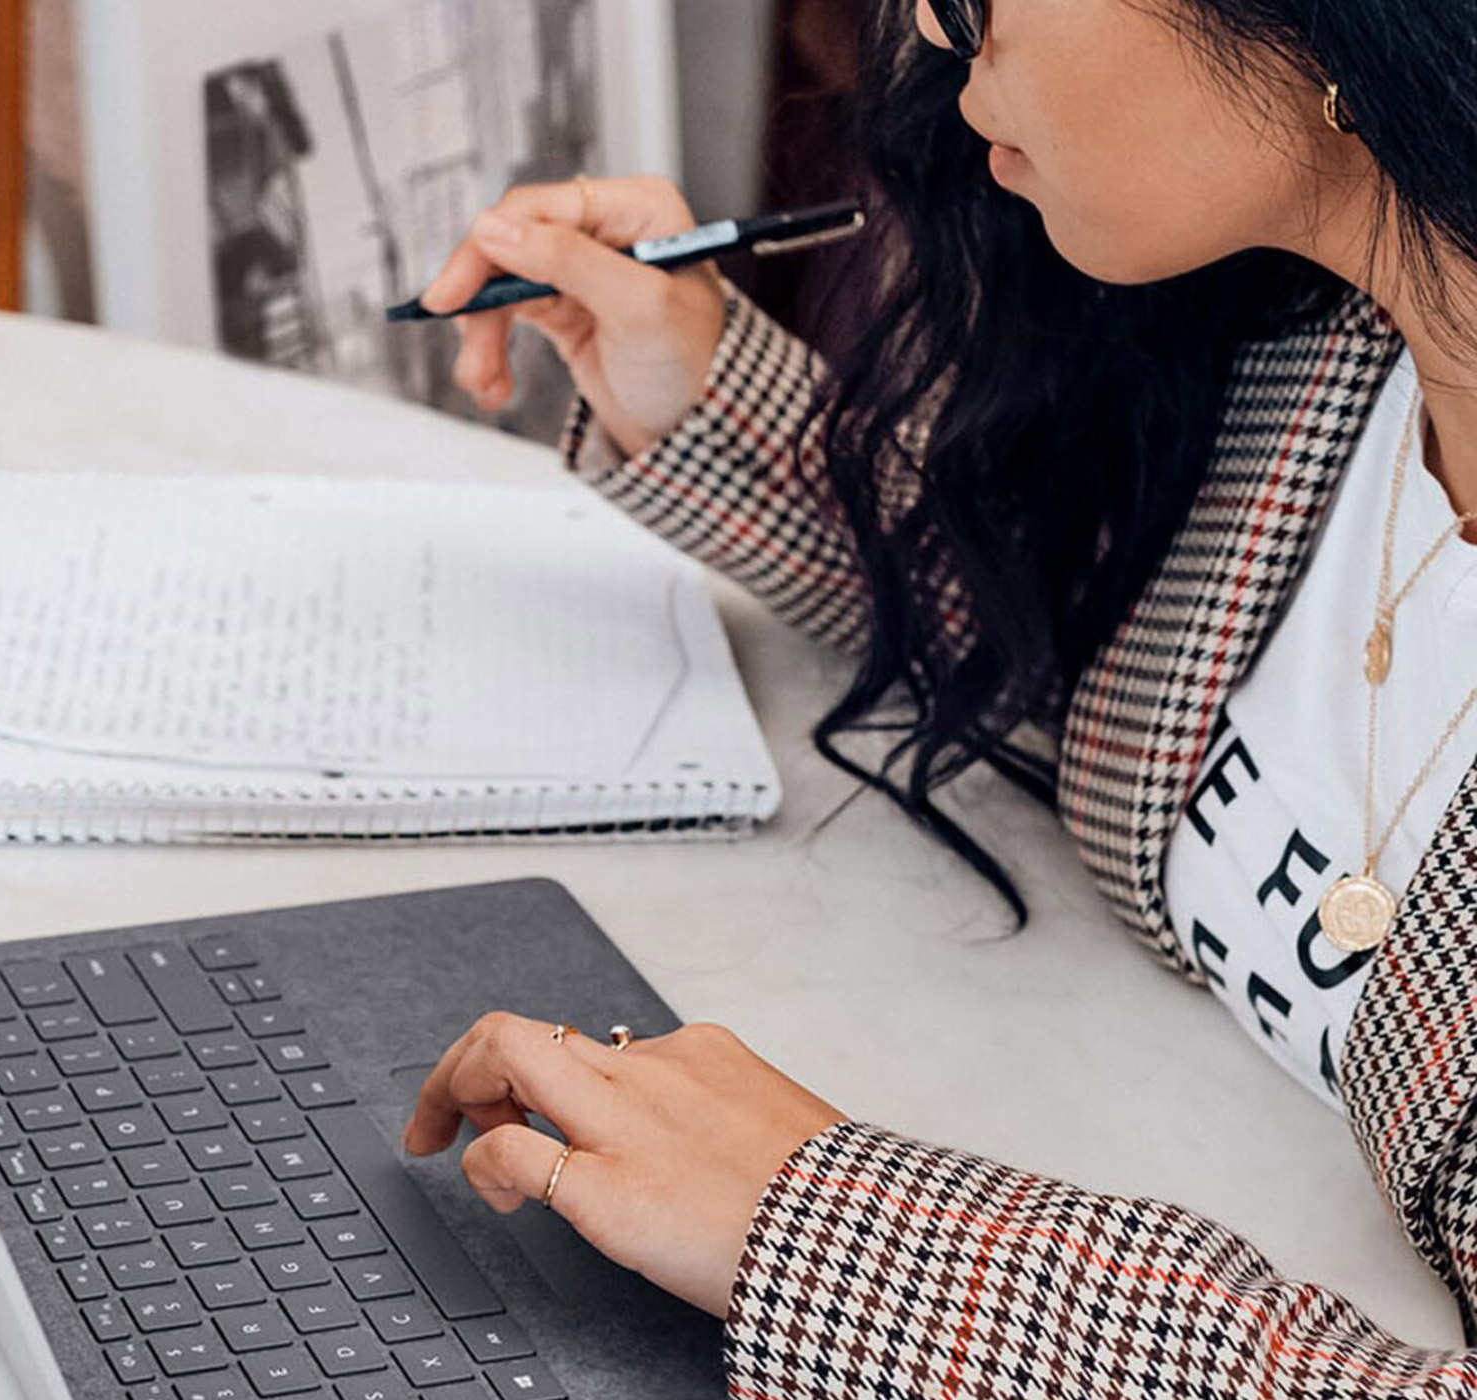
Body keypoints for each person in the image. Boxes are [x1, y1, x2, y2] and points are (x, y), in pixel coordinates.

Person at [400, 0, 1477, 1394]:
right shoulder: (1339, 336)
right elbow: (1097, 650)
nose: (928, 17)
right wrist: (701, 387)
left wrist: (828, 1233)